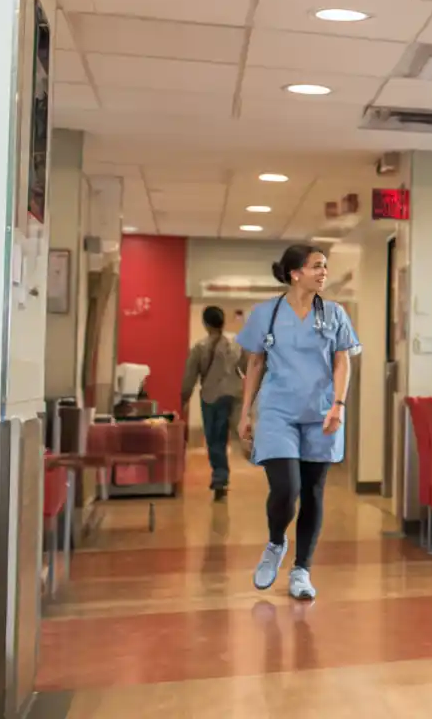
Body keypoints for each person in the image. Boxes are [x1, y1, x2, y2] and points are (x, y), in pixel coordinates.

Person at [236, 244, 360, 601]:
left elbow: (342, 362)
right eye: (317, 266)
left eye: (325, 267)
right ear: (295, 273)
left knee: (312, 493)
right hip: (278, 413)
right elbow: (256, 364)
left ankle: (301, 570)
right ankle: (276, 543)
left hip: (321, 412)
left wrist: (338, 403)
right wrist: (246, 412)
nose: (324, 273)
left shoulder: (334, 313)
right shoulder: (266, 314)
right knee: (286, 488)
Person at [181, 306, 245, 500]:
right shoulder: (235, 342)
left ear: (206, 323)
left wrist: (184, 398)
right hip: (234, 395)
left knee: (215, 439)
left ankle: (220, 479)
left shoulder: (200, 347)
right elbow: (247, 367)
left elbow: (190, 376)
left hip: (211, 398)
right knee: (231, 434)